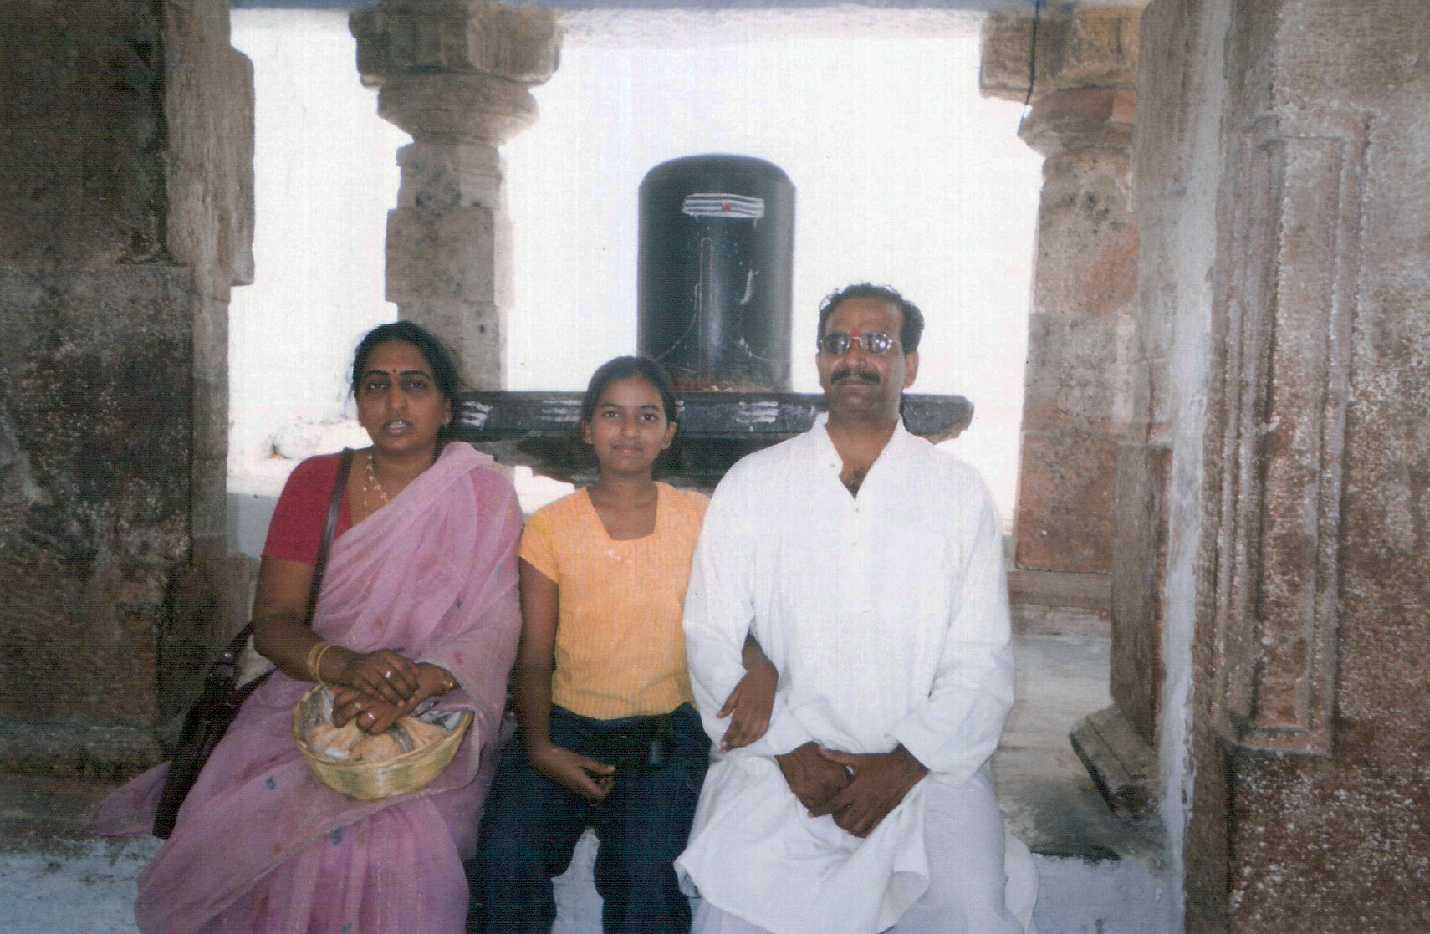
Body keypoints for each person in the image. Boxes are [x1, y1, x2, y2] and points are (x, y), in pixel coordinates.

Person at [93, 321, 524, 933]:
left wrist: (419, 682)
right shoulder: (315, 483)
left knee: (400, 844)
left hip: (437, 705)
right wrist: (349, 667)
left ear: (446, 405)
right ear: (358, 401)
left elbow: (494, 624)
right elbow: (273, 624)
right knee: (278, 840)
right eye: (377, 386)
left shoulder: (484, 496)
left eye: (415, 385)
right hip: (307, 699)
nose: (395, 403)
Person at [676, 284, 1035, 934]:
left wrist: (904, 765)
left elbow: (979, 660)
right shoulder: (756, 483)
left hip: (929, 768)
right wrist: (789, 751)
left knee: (972, 912)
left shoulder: (956, 494)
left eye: (877, 342)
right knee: (737, 913)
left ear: (910, 364)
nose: (855, 358)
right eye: (838, 343)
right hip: (779, 762)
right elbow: (710, 636)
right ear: (819, 361)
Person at [468, 356, 776, 934]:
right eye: (612, 414)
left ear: (669, 434)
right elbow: (534, 656)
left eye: (647, 416)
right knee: (505, 860)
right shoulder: (552, 527)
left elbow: (742, 621)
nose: (628, 430)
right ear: (587, 427)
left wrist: (760, 666)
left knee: (643, 875)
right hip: (564, 726)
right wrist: (539, 748)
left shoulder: (701, 518)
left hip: (665, 734)